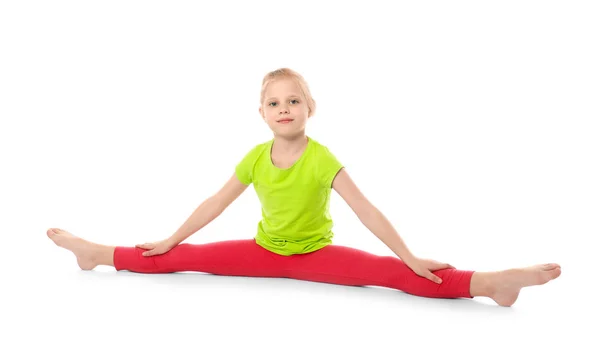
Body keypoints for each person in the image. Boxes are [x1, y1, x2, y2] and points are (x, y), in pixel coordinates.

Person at [47, 67, 561, 307]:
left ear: (310, 108)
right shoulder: (255, 156)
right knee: (180, 256)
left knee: (395, 275)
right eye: (275, 103)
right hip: (264, 251)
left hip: (315, 253)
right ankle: (97, 253)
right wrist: (171, 238)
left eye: (294, 101)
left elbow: (366, 210)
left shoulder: (322, 159)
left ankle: (490, 283)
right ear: (262, 113)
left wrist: (408, 255)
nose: (285, 109)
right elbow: (215, 202)